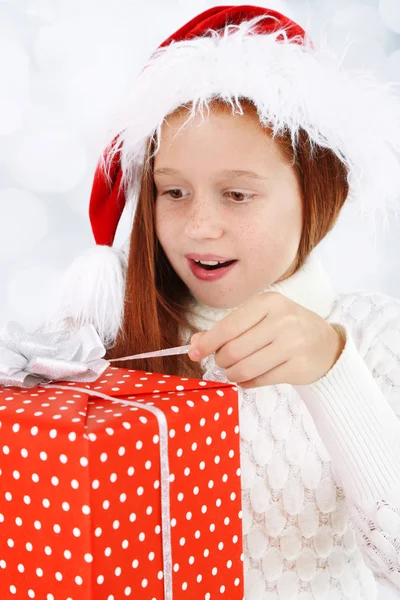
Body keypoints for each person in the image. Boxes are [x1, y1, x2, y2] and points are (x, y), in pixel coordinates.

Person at [47, 5, 400, 599]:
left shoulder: (375, 335)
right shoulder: (97, 339)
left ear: (318, 197)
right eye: (174, 192)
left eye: (237, 194)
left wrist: (335, 374)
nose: (199, 227)